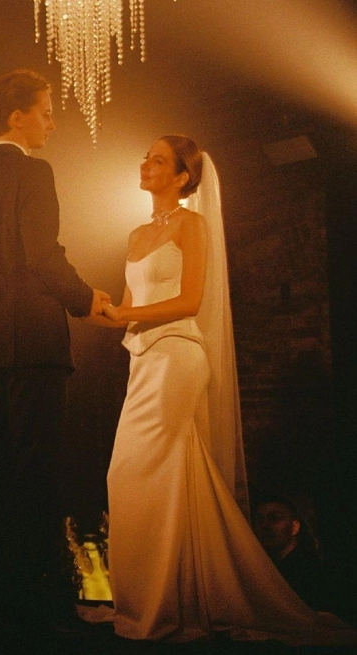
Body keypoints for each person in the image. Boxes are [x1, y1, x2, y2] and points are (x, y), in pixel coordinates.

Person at [87, 135, 356, 644]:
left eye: (158, 159)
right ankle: (158, 599)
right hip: (143, 360)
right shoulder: (136, 234)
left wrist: (124, 313)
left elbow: (189, 300)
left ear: (182, 176)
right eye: (145, 156)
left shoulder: (193, 225)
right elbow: (126, 309)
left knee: (143, 472)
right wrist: (85, 306)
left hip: (177, 357)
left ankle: (164, 608)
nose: (145, 164)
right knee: (141, 475)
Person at [0, 68, 109, 617]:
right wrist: (86, 300)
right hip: (34, 346)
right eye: (46, 112)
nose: (52, 123)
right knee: (35, 478)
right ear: (18, 118)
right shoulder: (35, 172)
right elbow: (43, 255)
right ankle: (36, 607)